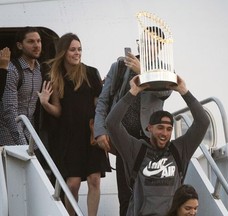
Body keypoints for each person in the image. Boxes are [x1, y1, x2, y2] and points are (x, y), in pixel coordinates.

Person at [94, 26, 171, 216]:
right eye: (144, 41)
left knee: (149, 191)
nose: (147, 46)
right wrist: (100, 130)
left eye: (153, 43)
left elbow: (165, 92)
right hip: (124, 137)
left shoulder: (165, 69)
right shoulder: (120, 66)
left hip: (149, 139)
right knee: (126, 193)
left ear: (160, 46)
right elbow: (104, 100)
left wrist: (143, 72)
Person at [106, 75, 210, 216]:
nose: (164, 133)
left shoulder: (179, 150)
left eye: (168, 129)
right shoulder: (136, 149)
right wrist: (133, 92)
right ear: (149, 128)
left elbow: (203, 122)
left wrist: (183, 91)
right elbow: (112, 123)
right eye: (160, 127)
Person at [38, 33, 111, 216]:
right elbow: (58, 110)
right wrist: (46, 103)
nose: (77, 53)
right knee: (72, 184)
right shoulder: (54, 75)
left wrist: (101, 128)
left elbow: (99, 105)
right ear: (63, 52)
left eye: (79, 49)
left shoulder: (91, 73)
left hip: (89, 132)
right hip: (69, 137)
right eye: (72, 49)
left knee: (94, 179)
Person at [0, 27, 42, 146]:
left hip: (30, 137)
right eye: (31, 41)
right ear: (19, 45)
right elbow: (9, 111)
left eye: (38, 41)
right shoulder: (12, 70)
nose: (36, 45)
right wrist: (22, 144)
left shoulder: (40, 70)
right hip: (8, 140)